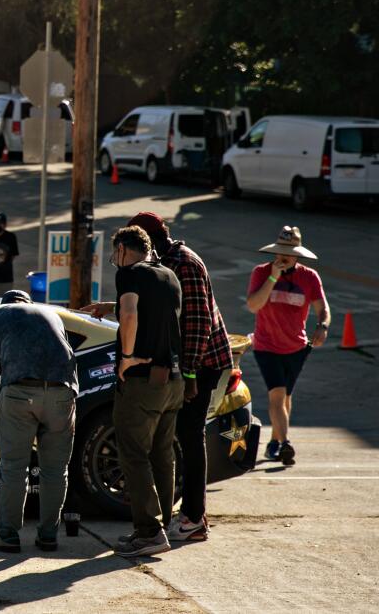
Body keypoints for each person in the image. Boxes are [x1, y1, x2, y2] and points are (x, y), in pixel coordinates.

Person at [124, 212, 232, 543]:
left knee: (190, 436)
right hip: (185, 364)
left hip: (202, 363)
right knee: (178, 437)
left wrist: (189, 375)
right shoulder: (164, 263)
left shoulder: (185, 263)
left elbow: (198, 324)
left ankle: (194, 518)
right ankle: (187, 513)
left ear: (152, 240)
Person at [86, 225, 183, 557]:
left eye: (116, 253)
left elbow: (130, 315)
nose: (115, 260)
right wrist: (108, 306)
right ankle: (163, 526)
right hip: (172, 379)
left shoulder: (129, 274)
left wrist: (126, 358)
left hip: (141, 381)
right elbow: (150, 313)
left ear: (125, 250)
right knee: (162, 454)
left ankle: (148, 531)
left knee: (133, 454)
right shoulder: (169, 276)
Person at [0, 290, 78, 553]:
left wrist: (3, 373)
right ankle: (48, 536)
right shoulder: (52, 314)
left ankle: (8, 535)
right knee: (56, 470)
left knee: (13, 467)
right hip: (62, 393)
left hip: (19, 393)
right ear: (29, 304)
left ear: (5, 304)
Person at [246, 226, 329, 467]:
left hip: (296, 347)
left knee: (286, 397)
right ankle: (285, 444)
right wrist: (273, 276)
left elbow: (322, 307)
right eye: (281, 251)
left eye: (290, 252)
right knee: (277, 395)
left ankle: (274, 441)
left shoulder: (309, 277)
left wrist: (322, 325)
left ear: (298, 255)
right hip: (266, 345)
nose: (285, 256)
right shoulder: (261, 273)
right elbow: (253, 305)